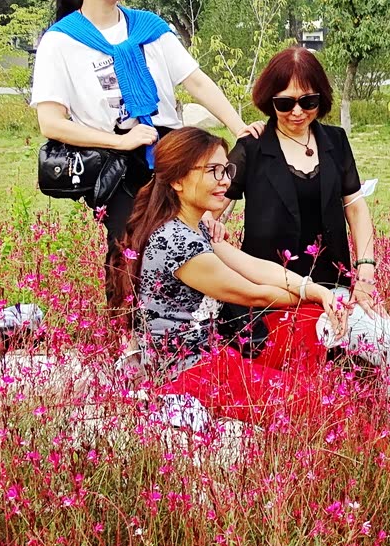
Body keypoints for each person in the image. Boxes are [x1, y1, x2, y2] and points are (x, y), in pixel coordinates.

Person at [30, 0, 263, 261]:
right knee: (131, 251)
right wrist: (122, 142)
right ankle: (127, 300)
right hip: (117, 161)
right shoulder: (61, 41)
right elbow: (51, 123)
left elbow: (195, 81)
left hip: (171, 152)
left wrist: (238, 126)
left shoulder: (150, 27)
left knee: (192, 243)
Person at [223, 46, 390, 433]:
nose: (297, 112)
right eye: (284, 103)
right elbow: (215, 202)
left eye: (308, 101)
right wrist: (212, 229)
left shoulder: (335, 141)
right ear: (269, 100)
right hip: (272, 295)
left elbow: (356, 210)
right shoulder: (252, 148)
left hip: (334, 288)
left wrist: (365, 276)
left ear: (321, 98)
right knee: (301, 388)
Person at [111, 127, 347, 425]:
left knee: (309, 317)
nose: (225, 180)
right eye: (213, 171)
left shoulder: (195, 227)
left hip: (215, 355)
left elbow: (254, 266)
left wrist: (317, 292)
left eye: (226, 170)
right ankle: (293, 411)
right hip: (190, 372)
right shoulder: (176, 241)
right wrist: (314, 293)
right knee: (316, 404)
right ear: (177, 180)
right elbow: (253, 292)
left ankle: (288, 400)